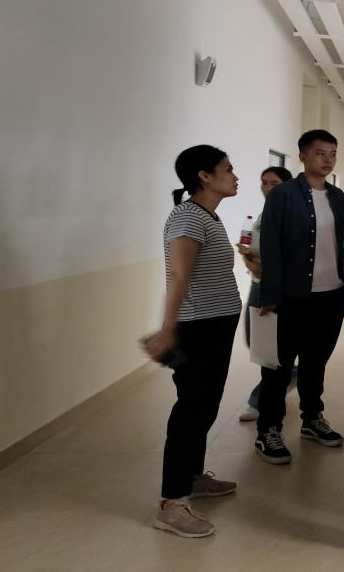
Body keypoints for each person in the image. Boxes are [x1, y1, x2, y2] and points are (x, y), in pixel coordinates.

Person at [143, 145, 243, 538]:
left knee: (205, 406)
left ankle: (192, 476)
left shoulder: (206, 215)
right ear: (204, 176)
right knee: (191, 410)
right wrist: (168, 330)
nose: (235, 176)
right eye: (227, 169)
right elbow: (179, 276)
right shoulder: (187, 217)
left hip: (215, 324)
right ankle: (172, 503)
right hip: (198, 326)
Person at [254, 130, 344, 464]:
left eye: (333, 153)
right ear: (303, 156)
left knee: (315, 362)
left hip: (331, 296)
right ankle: (268, 429)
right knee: (278, 367)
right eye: (320, 152)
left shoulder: (338, 197)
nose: (327, 159)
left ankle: (312, 418)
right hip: (290, 297)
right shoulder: (283, 195)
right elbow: (270, 244)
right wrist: (270, 294)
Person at [237, 166, 294, 423]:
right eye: (264, 182)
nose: (267, 188)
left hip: (275, 287)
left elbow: (288, 254)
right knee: (256, 343)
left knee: (268, 350)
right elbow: (256, 248)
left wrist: (258, 261)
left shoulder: (289, 214)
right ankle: (289, 376)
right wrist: (248, 259)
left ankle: (260, 401)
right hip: (257, 283)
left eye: (274, 183)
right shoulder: (263, 214)